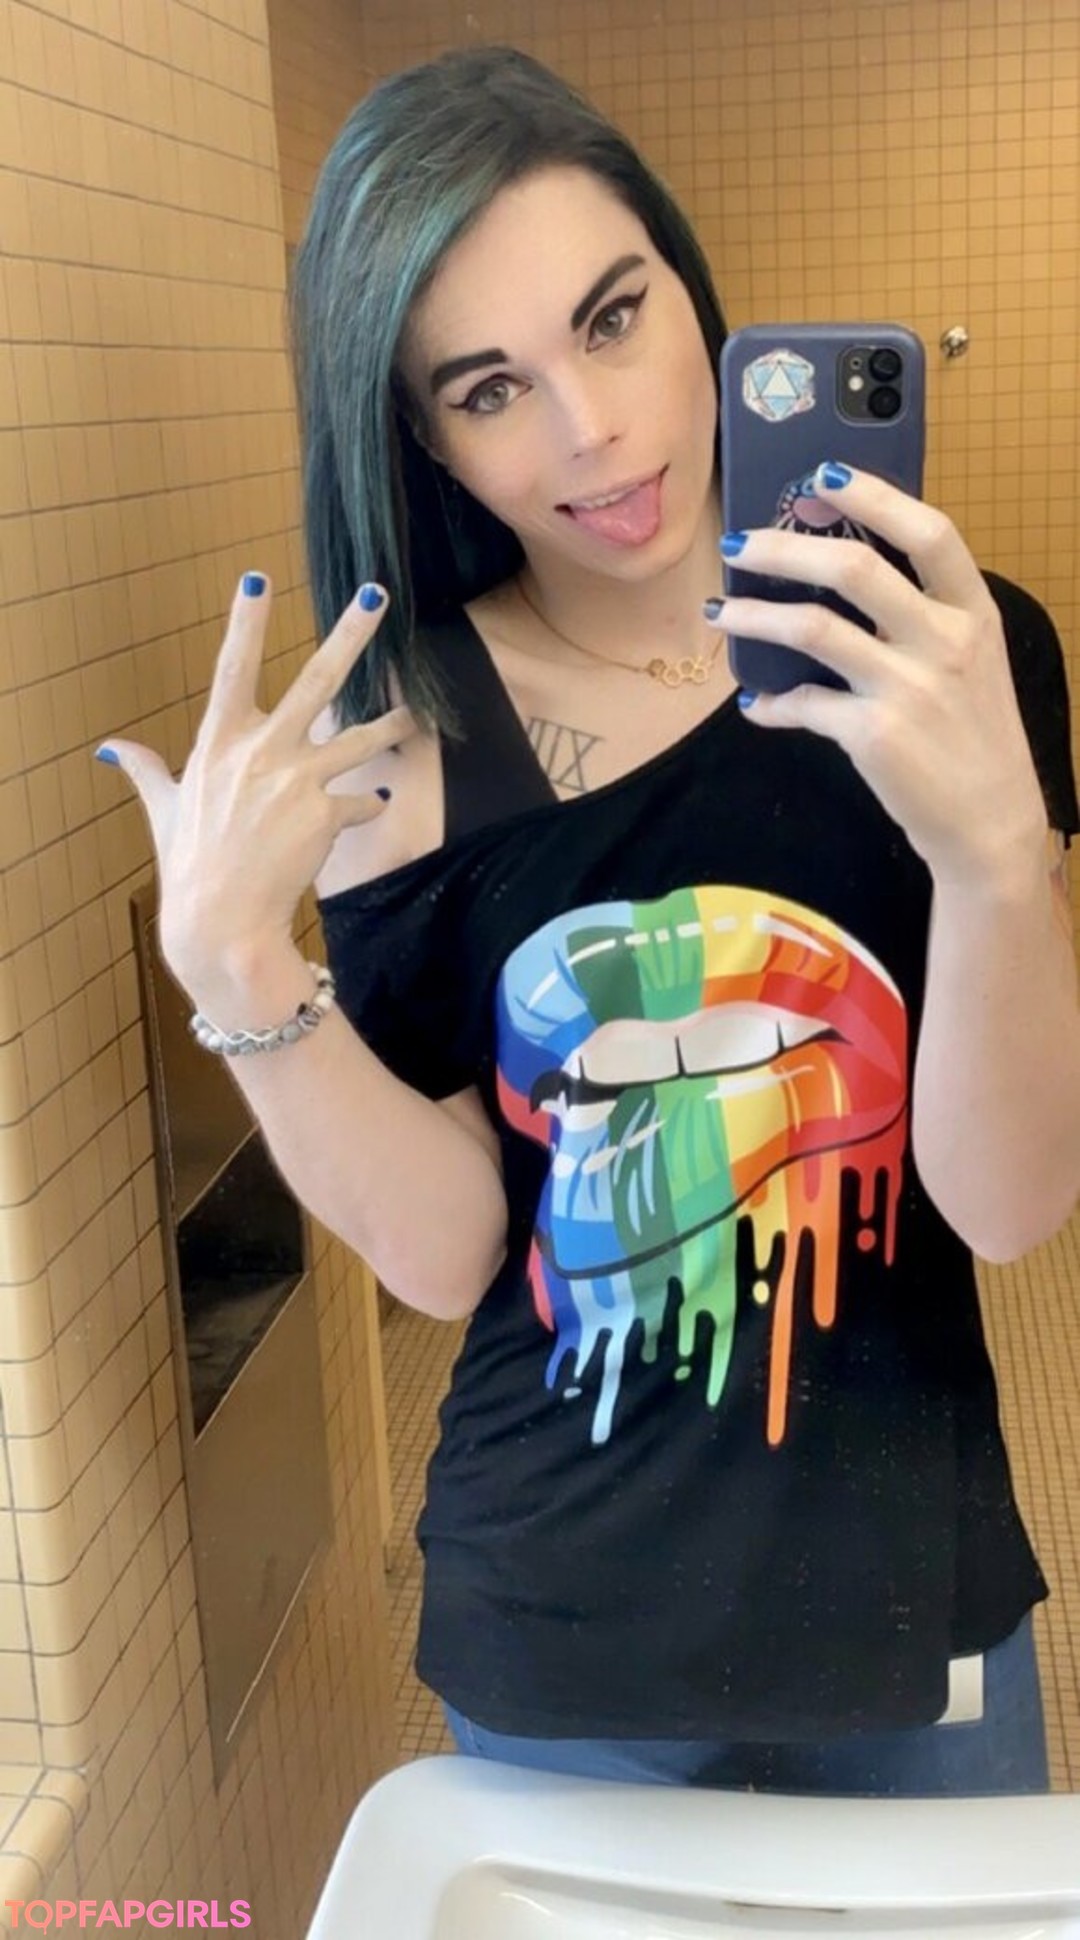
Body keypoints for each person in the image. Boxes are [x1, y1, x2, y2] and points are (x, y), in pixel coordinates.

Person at [98, 46, 1080, 1797]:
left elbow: (1007, 1210)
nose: (591, 430)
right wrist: (239, 974)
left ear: (691, 294)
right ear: (424, 434)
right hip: (563, 1633)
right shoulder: (405, 745)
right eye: (491, 387)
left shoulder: (956, 656)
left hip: (909, 1594)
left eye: (613, 320)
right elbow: (449, 1252)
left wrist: (1001, 858)